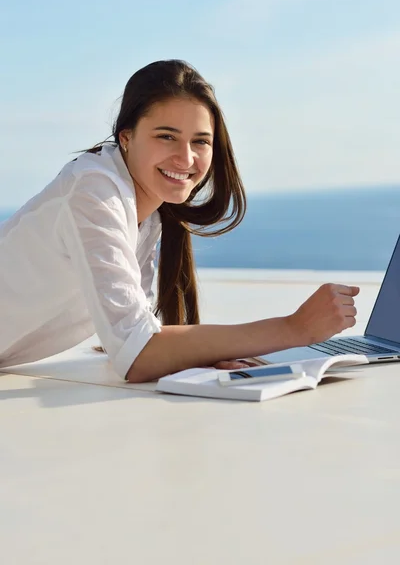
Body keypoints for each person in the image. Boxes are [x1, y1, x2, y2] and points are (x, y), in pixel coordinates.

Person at [0, 59, 359, 383]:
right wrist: (293, 328)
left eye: (200, 141)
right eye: (166, 136)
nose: (185, 158)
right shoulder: (95, 192)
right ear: (126, 137)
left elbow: (136, 336)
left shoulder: (146, 210)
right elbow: (137, 355)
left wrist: (198, 355)